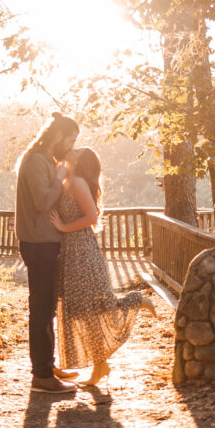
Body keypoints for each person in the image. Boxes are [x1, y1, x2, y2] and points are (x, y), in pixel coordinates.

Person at [50, 147, 158, 386]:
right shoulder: (68, 179)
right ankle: (101, 366)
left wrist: (63, 228)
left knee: (92, 308)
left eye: (76, 151)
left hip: (83, 252)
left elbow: (92, 216)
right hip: (71, 253)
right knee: (83, 311)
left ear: (81, 161)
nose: (71, 150)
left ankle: (135, 300)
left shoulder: (77, 182)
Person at [15, 112, 80, 393]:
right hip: (39, 244)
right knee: (41, 309)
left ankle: (47, 366)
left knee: (47, 307)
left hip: (46, 243)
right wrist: (62, 176)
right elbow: (42, 201)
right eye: (71, 139)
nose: (71, 145)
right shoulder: (37, 161)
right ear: (59, 136)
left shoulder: (43, 160)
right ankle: (41, 376)